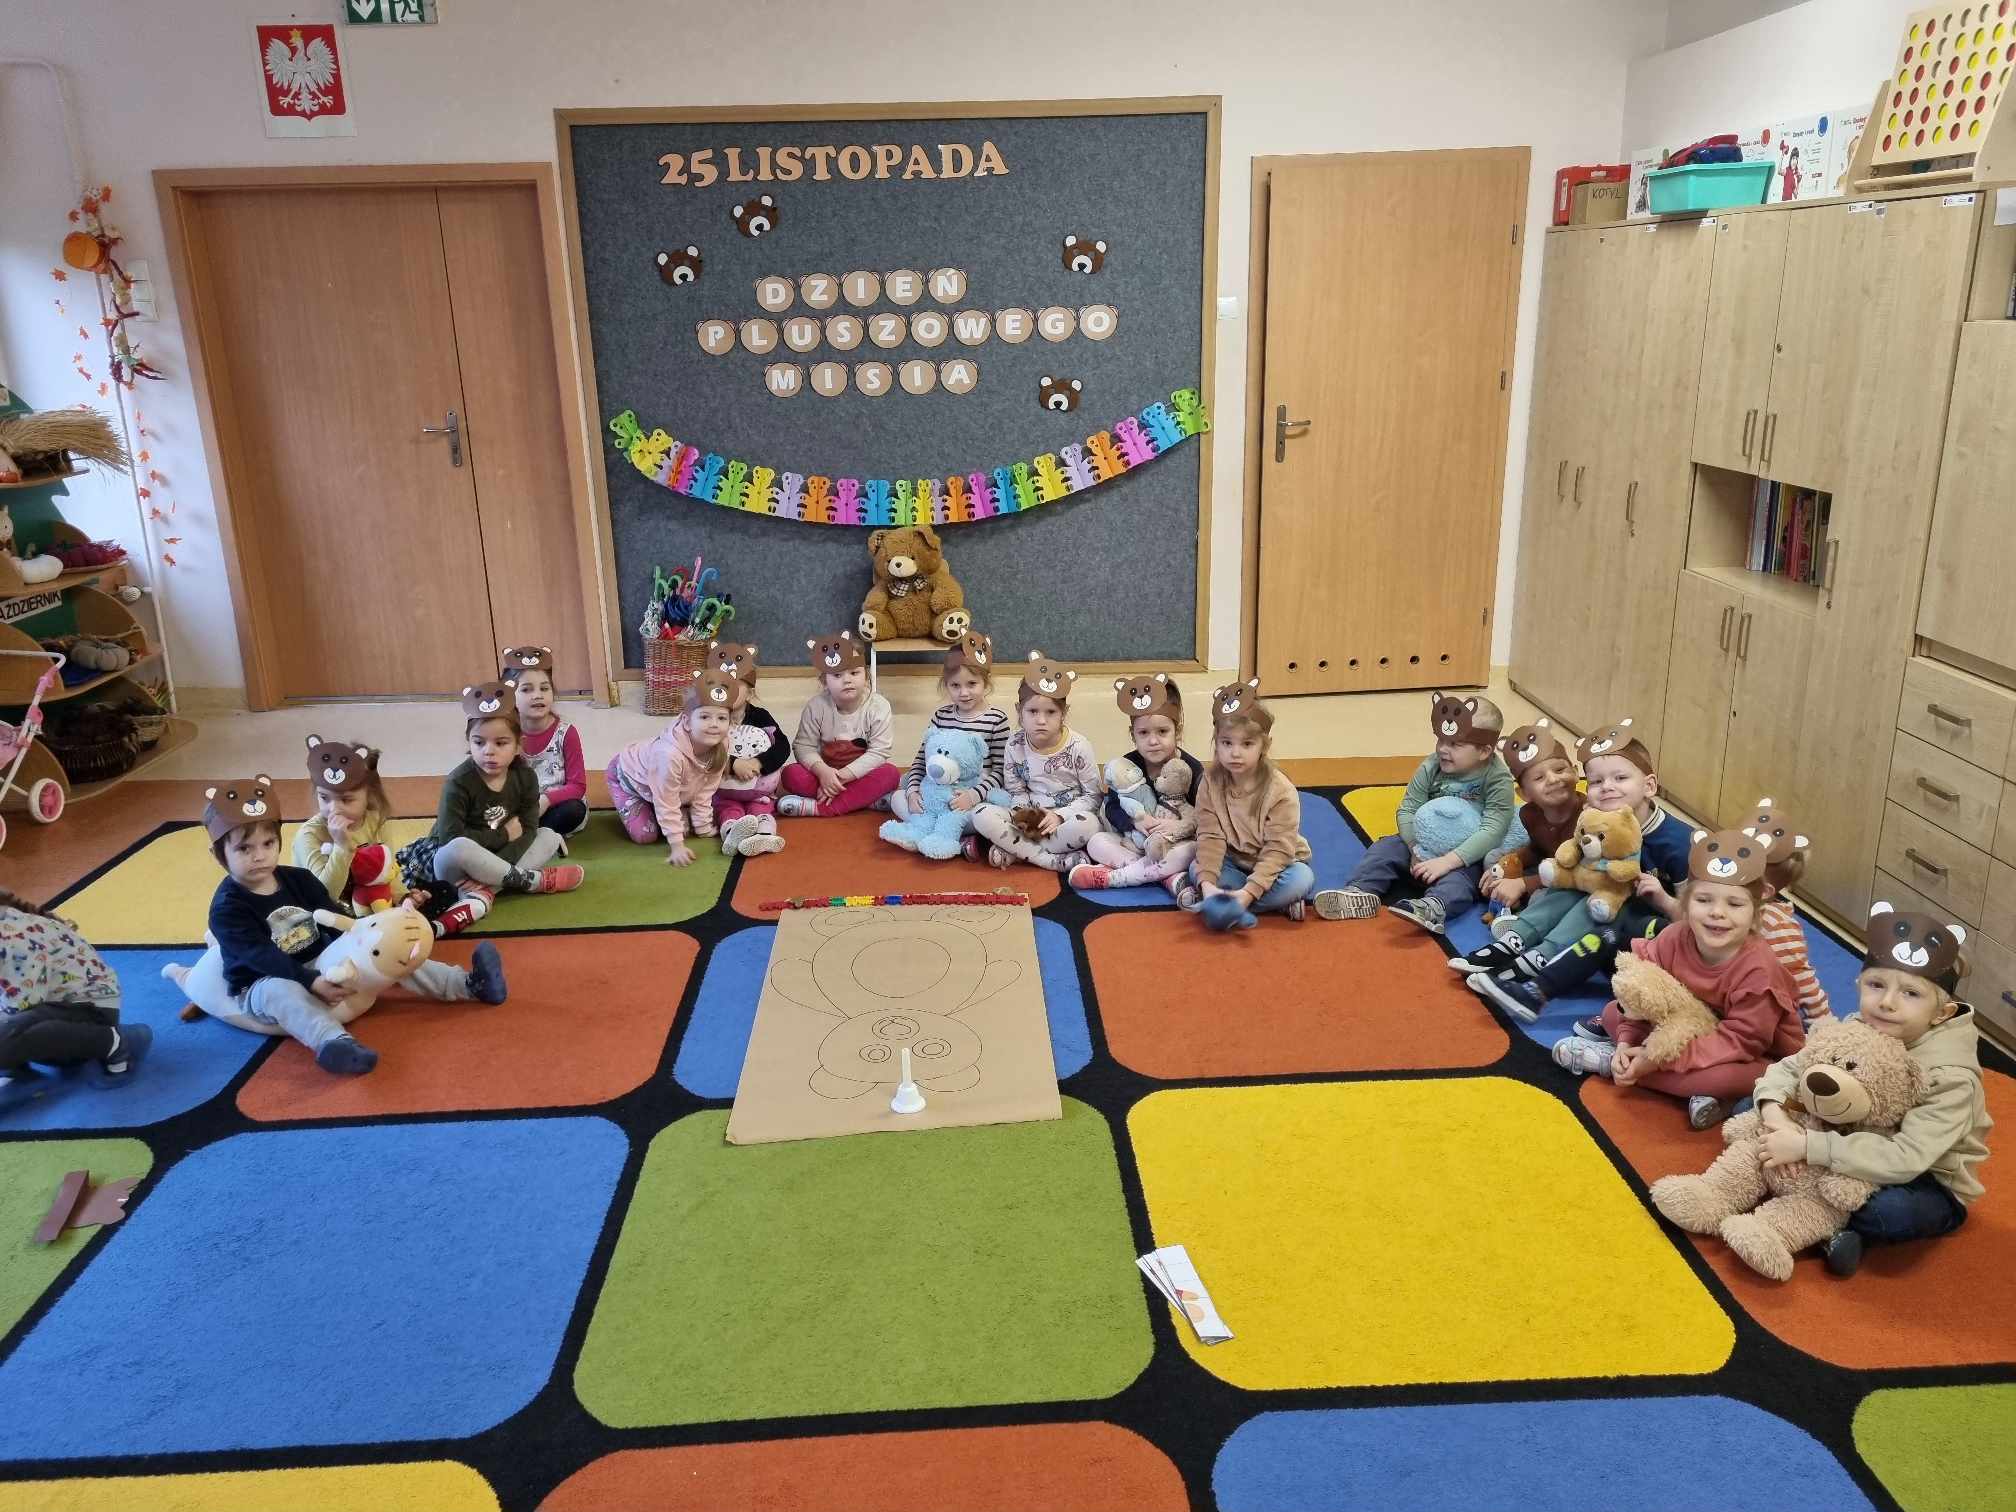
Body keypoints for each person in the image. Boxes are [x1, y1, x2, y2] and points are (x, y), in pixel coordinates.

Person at [194, 777, 505, 1076]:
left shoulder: (297, 879)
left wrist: (366, 937)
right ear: (219, 855)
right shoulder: (227, 908)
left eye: (268, 843)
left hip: (319, 960)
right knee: (279, 990)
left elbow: (333, 916)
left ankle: (468, 984)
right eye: (244, 849)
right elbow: (260, 956)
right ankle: (332, 1042)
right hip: (260, 982)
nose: (259, 856)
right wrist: (309, 981)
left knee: (385, 945)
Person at [1755, 903, 1991, 1277]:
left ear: (1942, 1013)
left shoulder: (1951, 1077)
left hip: (1924, 1178)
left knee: (1888, 1213)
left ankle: (1825, 1219)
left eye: (1911, 993)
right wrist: (1776, 1119)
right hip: (1846, 1137)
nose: (1886, 1002)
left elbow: (1906, 1158)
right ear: (1858, 984)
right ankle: (1817, 1205)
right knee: (1750, 1107)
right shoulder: (1862, 1026)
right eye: (1876, 985)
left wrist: (1808, 1147)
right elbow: (1788, 1070)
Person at [1552, 828, 1805, 1130]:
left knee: (1752, 1076)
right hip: (1683, 1029)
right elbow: (1640, 994)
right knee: (1611, 1014)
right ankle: (1690, 1088)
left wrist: (1654, 1060)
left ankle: (1615, 1066)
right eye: (1704, 900)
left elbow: (1741, 1041)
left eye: (1735, 904)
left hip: (1750, 1052)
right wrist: (1627, 1041)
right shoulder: (1673, 937)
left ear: (1755, 913)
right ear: (1685, 902)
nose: (1717, 913)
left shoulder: (1758, 970)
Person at [1462, 718, 1692, 1021]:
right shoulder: (1596, 819)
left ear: (1649, 786)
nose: (1607, 787)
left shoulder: (1679, 842)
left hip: (1647, 933)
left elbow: (1692, 921)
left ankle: (1537, 983)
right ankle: (1514, 942)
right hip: (1607, 910)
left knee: (1604, 921)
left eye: (1620, 778)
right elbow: (1579, 873)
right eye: (1596, 782)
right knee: (1571, 889)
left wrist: (1661, 898)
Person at [1314, 693, 1514, 934]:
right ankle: (1358, 892)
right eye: (1440, 740)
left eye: (1455, 744)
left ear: (1484, 751)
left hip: (1464, 854)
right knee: (1385, 848)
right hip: (1422, 846)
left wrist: (1448, 861)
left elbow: (1493, 829)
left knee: (1465, 878)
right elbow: (1408, 808)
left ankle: (1434, 907)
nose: (1443, 749)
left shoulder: (1498, 779)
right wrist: (1413, 848)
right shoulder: (1432, 765)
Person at [428, 681, 585, 933]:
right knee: (459, 847)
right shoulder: (457, 782)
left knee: (547, 836)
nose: (489, 752)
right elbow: (450, 840)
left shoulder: (525, 777)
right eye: (479, 743)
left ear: (518, 745)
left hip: (499, 859)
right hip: (456, 865)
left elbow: (529, 830)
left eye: (501, 743)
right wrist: (503, 835)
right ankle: (532, 881)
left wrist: (492, 870)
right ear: (469, 742)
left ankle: (482, 894)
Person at [1177, 679, 1314, 924]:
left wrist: (1249, 893)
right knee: (1196, 868)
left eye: (1247, 744)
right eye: (1227, 743)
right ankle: (1252, 902)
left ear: (1264, 746)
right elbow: (1210, 836)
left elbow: (1278, 850)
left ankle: (1233, 903)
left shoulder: (1280, 790)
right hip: (1233, 861)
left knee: (1301, 879)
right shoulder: (1209, 781)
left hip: (1280, 865)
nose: (1235, 753)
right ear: (1216, 743)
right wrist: (1208, 885)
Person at [0, 889, 146, 1107]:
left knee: (6, 1037)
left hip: (91, 1010)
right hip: (51, 1006)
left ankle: (112, 1042)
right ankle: (15, 1068)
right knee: (7, 1035)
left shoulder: (12, 938)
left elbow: (24, 1003)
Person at [1455, 720, 1583, 956]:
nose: (1553, 779)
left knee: (1542, 898)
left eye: (1560, 770)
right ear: (1524, 793)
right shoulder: (1529, 814)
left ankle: (1523, 920)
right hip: (1548, 866)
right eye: (1539, 778)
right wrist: (1511, 862)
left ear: (1575, 772)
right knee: (1494, 858)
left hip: (1576, 880)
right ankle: (1505, 901)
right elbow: (1538, 847)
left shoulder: (1588, 816)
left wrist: (1524, 883)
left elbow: (1579, 873)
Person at [1071, 673, 1204, 893]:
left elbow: (1205, 814)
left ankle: (1118, 877)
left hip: (1173, 843)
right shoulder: (1127, 765)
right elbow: (1112, 807)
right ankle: (1165, 878)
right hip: (1135, 843)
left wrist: (1178, 827)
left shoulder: (1190, 769)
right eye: (1143, 733)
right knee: (1096, 842)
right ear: (1133, 735)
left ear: (1177, 731)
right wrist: (1134, 822)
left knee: (1193, 850)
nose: (1153, 741)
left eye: (1163, 732)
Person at [972, 654, 1102, 872]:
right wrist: (1022, 816)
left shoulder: (1079, 746)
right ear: (1019, 711)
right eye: (1032, 711)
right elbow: (1016, 790)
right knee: (980, 813)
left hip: (1065, 820)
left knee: (1088, 825)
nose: (1041, 720)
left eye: (1050, 712)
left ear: (1063, 713)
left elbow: (1093, 796)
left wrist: (1060, 816)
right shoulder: (1014, 743)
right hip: (1029, 816)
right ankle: (1048, 860)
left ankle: (1016, 850)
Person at [890, 632, 1011, 862]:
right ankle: (939, 834)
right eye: (955, 685)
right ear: (946, 685)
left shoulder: (997, 720)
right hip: (935, 796)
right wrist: (913, 792)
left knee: (986, 816)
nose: (964, 693)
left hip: (969, 800)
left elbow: (1001, 770)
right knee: (898, 798)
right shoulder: (941, 716)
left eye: (972, 684)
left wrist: (973, 796)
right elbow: (921, 761)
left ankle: (940, 834)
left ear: (986, 681)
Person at [607, 669, 737, 864]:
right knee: (646, 835)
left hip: (662, 783)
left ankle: (665, 813)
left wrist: (702, 827)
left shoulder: (722, 743)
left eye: (722, 718)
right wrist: (677, 846)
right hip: (627, 777)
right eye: (704, 717)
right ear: (687, 722)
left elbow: (707, 787)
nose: (714, 724)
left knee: (684, 828)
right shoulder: (668, 755)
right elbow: (666, 800)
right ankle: (646, 806)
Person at [778, 632, 899, 817]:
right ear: (824, 681)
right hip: (825, 775)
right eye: (837, 674)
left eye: (854, 673)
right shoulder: (816, 706)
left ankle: (820, 808)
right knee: (790, 774)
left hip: (859, 775)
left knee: (890, 774)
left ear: (866, 675)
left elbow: (879, 752)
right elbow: (803, 747)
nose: (847, 680)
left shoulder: (879, 706)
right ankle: (863, 800)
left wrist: (839, 779)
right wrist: (824, 773)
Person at [293, 734, 409, 915]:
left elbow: (386, 870)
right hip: (324, 911)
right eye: (324, 798)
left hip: (369, 904)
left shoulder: (376, 821)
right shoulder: (309, 835)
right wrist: (342, 847)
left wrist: (403, 898)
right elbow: (323, 896)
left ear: (369, 795)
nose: (334, 810)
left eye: (346, 800)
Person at [502, 645, 589, 841]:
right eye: (526, 689)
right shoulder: (506, 734)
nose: (537, 695)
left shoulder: (566, 733)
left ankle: (529, 834)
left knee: (574, 810)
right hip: (519, 807)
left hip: (556, 805)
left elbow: (577, 786)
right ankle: (525, 832)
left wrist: (546, 800)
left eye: (544, 688)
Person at [709, 644, 788, 858]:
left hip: (757, 790)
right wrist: (733, 763)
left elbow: (782, 746)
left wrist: (758, 762)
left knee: (761, 809)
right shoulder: (711, 718)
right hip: (725, 789)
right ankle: (731, 834)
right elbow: (704, 752)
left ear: (750, 691)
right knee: (727, 809)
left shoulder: (760, 717)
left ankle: (765, 835)